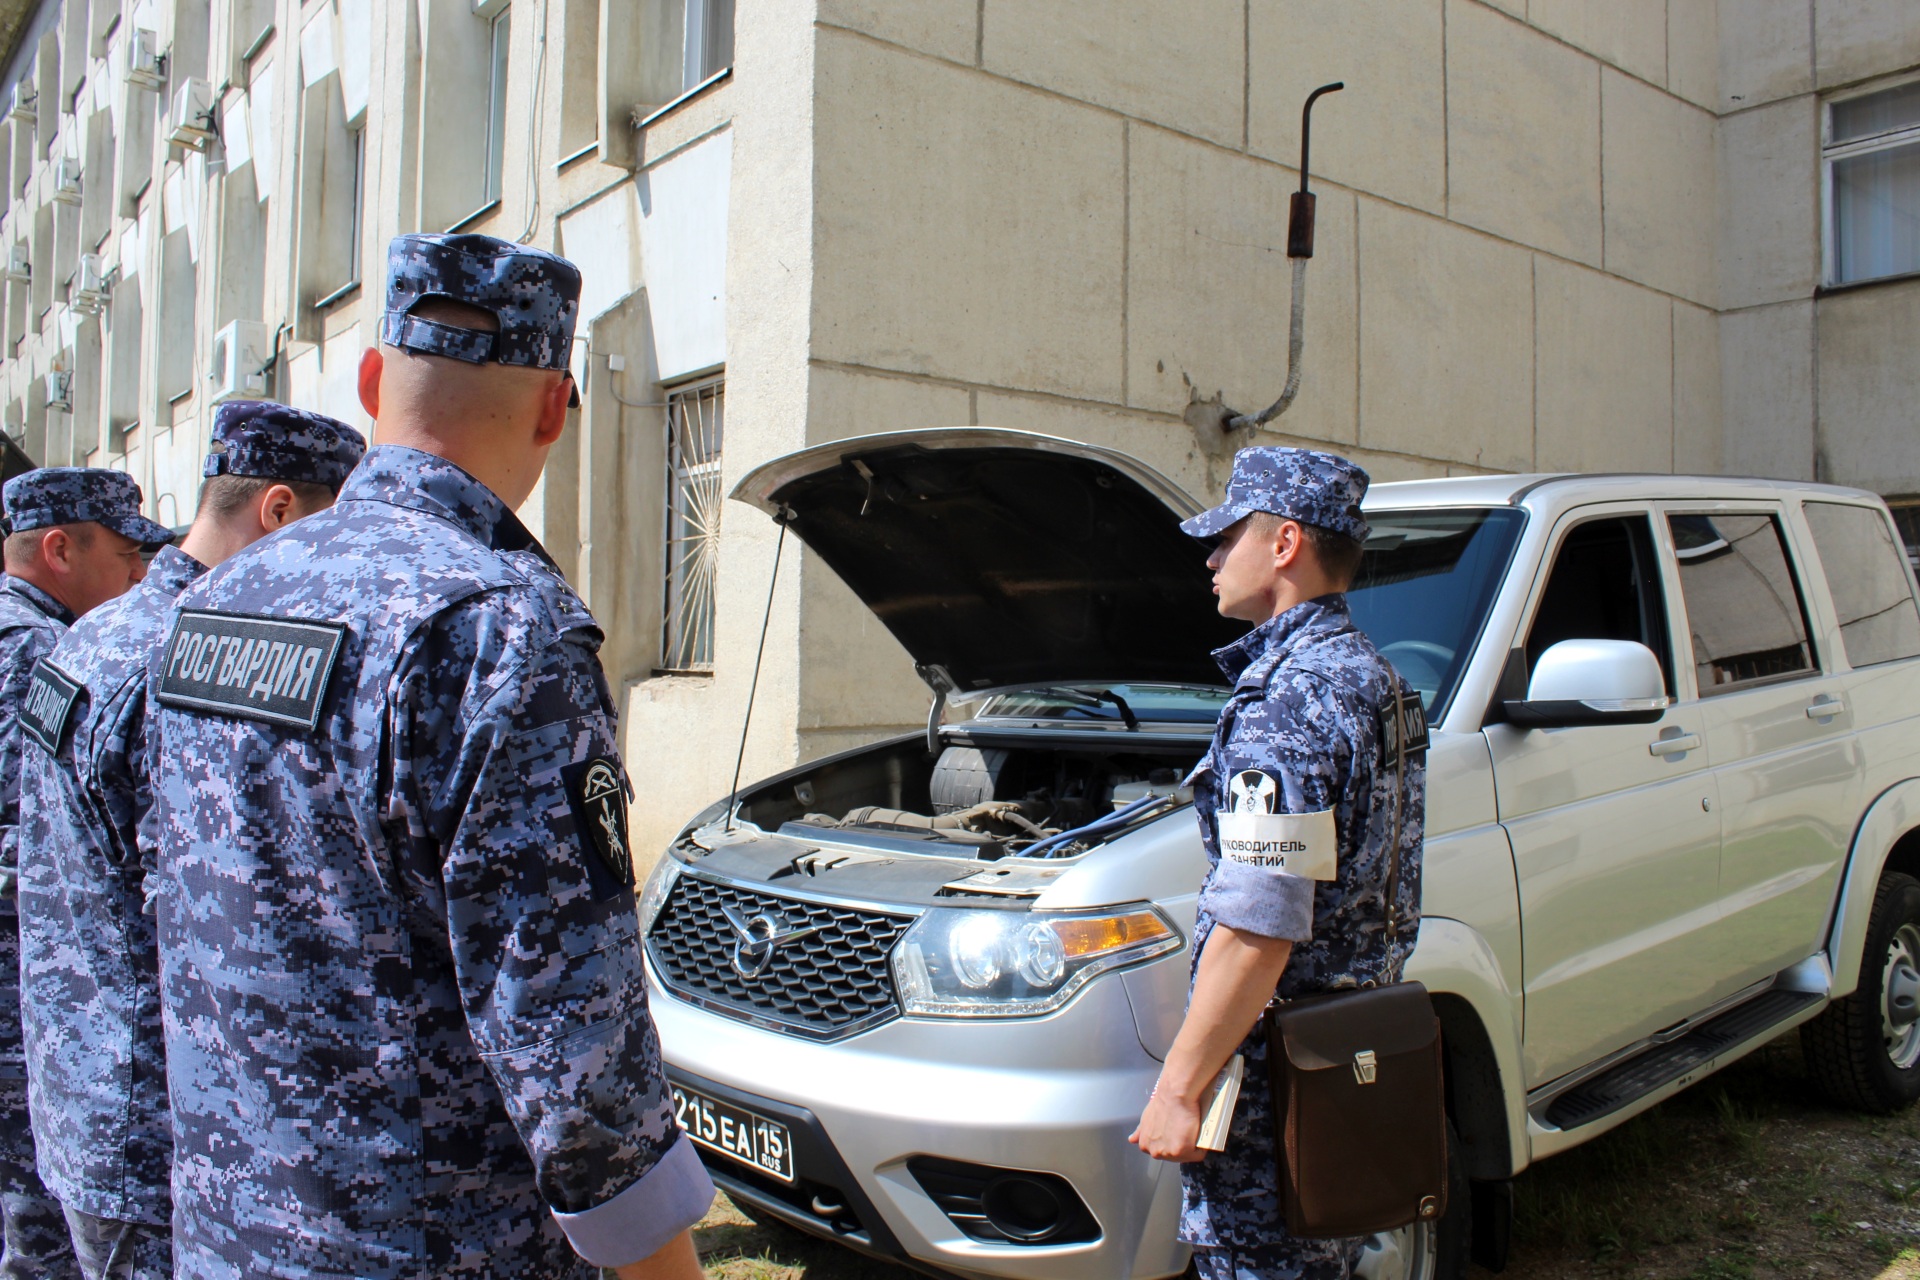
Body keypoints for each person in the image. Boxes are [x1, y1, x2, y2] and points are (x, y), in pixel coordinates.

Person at [148, 233, 712, 1280]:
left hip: (225, 1232)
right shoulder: (498, 629)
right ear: (553, 408)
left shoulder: (211, 603)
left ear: (370, 382)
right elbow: (575, 1052)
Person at [15, 403, 366, 1280]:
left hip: (76, 1085)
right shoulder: (195, 663)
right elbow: (221, 919)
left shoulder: (89, 639)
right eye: (337, 529)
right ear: (279, 513)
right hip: (163, 1131)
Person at [1128, 447, 1426, 1280]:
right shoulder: (1376, 678)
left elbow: (1260, 922)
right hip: (1349, 1057)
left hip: (1274, 1089)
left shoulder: (1287, 701)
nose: (1214, 559)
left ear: (1286, 542)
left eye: (1228, 537)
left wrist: (1181, 1088)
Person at [0, 468, 173, 1279]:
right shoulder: (39, 651)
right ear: (59, 548)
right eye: (125, 552)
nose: (138, 575)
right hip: (49, 1001)